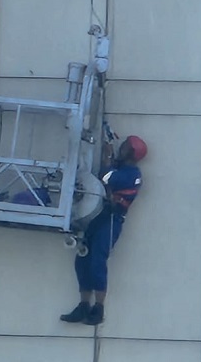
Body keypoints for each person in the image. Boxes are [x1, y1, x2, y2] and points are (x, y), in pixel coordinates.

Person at [60, 135, 147, 325]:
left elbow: (106, 177)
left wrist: (107, 159)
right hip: (98, 218)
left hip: (111, 220)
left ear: (131, 153)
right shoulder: (123, 169)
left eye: (124, 147)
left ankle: (98, 308)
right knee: (82, 259)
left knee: (97, 260)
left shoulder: (132, 174)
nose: (120, 148)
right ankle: (83, 305)